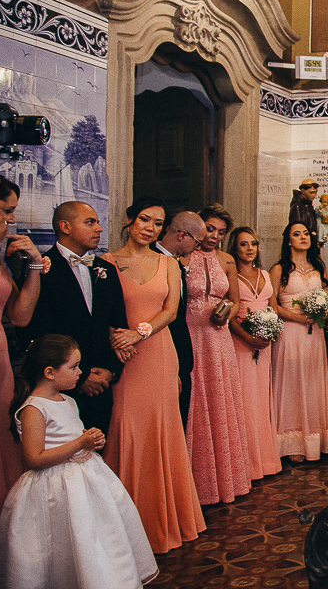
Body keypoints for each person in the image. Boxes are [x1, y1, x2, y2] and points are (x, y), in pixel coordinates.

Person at [0, 335, 157, 588]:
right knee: (65, 541)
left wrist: (90, 440)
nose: (80, 372)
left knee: (96, 536)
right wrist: (79, 443)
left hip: (87, 479)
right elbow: (34, 458)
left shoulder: (68, 400)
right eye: (74, 367)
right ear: (49, 372)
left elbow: (72, 437)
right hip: (54, 488)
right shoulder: (34, 408)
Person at [102, 197, 205, 553]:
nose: (150, 228)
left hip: (158, 353)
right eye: (145, 219)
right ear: (130, 220)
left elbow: (171, 311)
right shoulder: (106, 263)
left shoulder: (168, 263)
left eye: (158, 223)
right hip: (124, 358)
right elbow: (101, 312)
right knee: (125, 427)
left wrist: (139, 333)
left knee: (162, 430)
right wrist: (117, 339)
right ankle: (126, 527)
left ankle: (165, 521)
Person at [29, 201, 128, 435]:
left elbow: (119, 326)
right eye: (90, 222)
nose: (99, 228)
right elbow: (38, 331)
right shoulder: (41, 269)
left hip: (101, 388)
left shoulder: (106, 269)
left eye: (98, 222)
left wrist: (110, 371)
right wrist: (81, 376)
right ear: (65, 226)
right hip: (58, 391)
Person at [184, 204, 250, 505]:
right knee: (194, 397)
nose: (214, 236)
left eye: (221, 232)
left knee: (219, 398)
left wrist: (227, 313)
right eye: (210, 229)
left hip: (219, 337)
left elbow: (235, 301)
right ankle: (193, 481)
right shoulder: (183, 257)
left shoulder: (227, 260)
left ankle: (225, 478)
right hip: (190, 333)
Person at [0, 175, 42, 522]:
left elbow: (21, 316)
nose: (12, 220)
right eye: (5, 211)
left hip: (0, 366)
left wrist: (35, 263)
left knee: (1, 439)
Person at [270, 222, 328, 463]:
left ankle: (316, 439)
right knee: (292, 382)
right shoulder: (279, 269)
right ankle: (292, 442)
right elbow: (272, 305)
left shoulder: (318, 267)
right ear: (288, 241)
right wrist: (297, 317)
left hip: (314, 333)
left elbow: (326, 297)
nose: (303, 237)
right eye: (297, 234)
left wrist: (322, 310)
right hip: (290, 332)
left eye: (306, 233)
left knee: (313, 380)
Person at [227, 226, 282, 480]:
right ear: (234, 248)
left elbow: (273, 307)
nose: (249, 249)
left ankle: (265, 461)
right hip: (241, 344)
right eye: (244, 244)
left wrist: (271, 330)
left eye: (253, 244)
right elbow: (229, 316)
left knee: (261, 400)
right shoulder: (231, 275)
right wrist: (249, 338)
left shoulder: (265, 274)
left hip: (264, 345)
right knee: (245, 400)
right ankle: (246, 466)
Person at [153, 211, 207, 428]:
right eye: (197, 242)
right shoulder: (153, 260)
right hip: (161, 353)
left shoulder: (176, 263)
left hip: (180, 355)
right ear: (183, 235)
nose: (198, 248)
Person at [289, 178, 320, 243]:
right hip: (304, 241)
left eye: (315, 192)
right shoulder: (298, 206)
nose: (314, 195)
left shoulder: (307, 205)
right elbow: (300, 227)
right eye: (311, 192)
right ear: (303, 191)